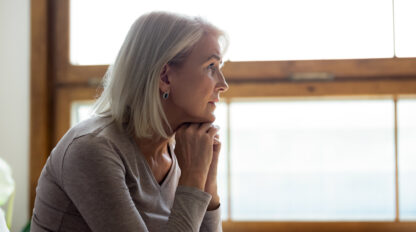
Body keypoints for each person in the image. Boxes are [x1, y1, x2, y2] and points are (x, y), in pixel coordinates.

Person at [30, 11, 229, 232]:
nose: (223, 84)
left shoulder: (183, 150)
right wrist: (192, 179)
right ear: (164, 77)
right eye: (211, 66)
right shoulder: (92, 149)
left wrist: (207, 179)